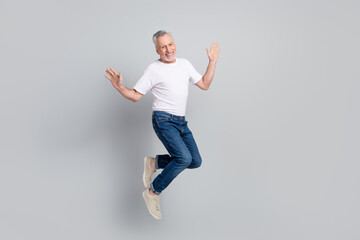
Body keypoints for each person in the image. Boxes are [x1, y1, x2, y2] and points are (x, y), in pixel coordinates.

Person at [105, 30, 220, 220]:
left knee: (195, 161)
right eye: (163, 47)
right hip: (163, 120)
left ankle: (154, 162)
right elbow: (135, 96)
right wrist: (120, 88)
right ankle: (153, 192)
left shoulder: (184, 64)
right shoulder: (153, 69)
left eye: (170, 45)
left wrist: (212, 62)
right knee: (183, 158)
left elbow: (205, 84)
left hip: (181, 122)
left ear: (174, 44)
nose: (168, 50)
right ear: (157, 50)